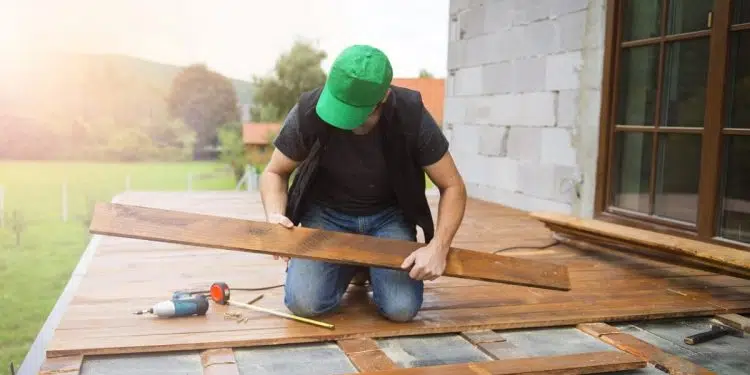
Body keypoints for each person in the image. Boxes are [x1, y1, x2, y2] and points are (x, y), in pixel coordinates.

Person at [259, 44, 467, 323]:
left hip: (388, 216)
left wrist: (438, 248)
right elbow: (274, 172)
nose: (341, 122)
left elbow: (453, 186)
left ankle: (361, 265)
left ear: (383, 98)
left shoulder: (411, 115)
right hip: (325, 213)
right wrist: (275, 217)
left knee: (401, 308)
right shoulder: (310, 109)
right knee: (303, 303)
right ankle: (355, 265)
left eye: (353, 112)